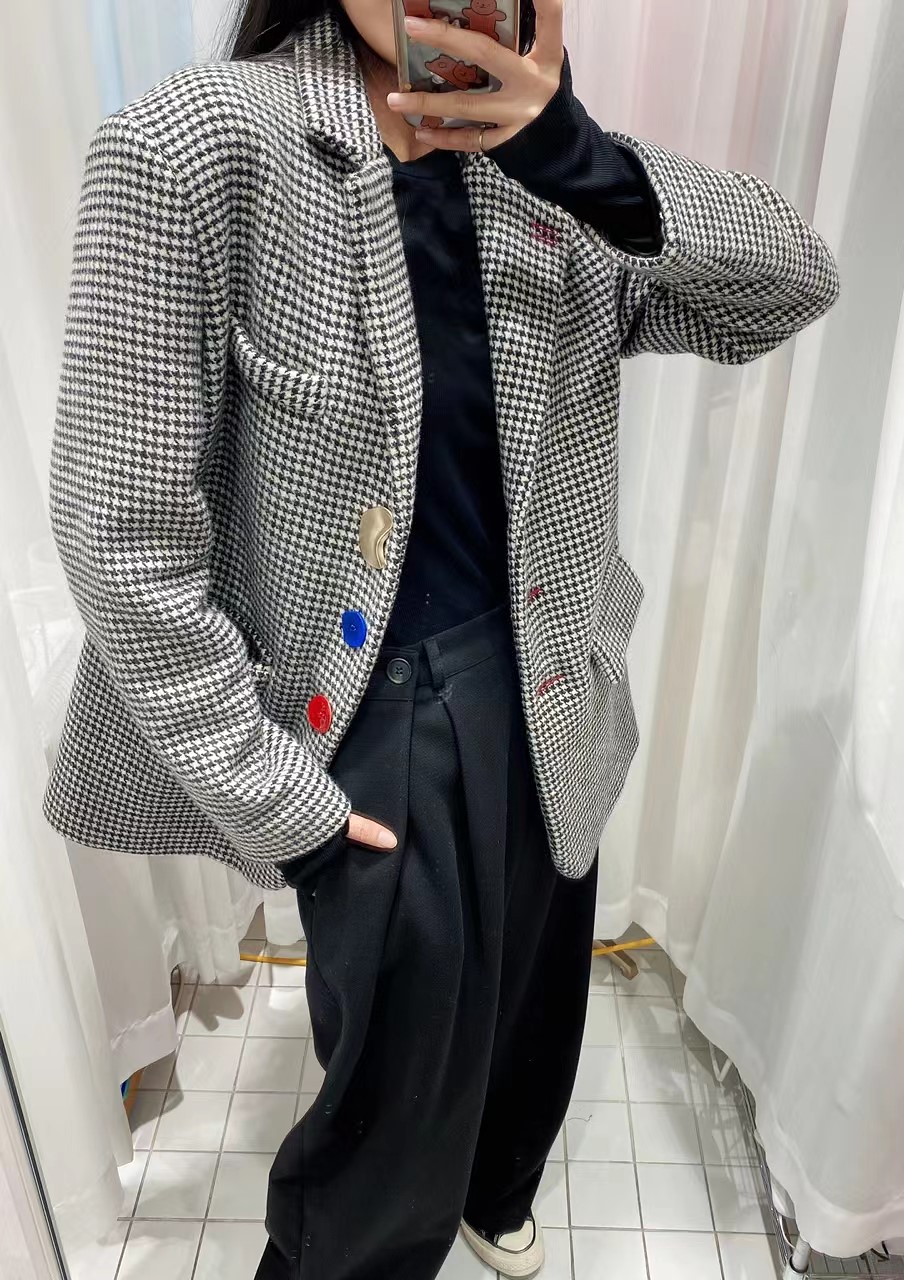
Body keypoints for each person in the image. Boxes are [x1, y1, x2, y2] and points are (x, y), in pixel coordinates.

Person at [41, 0, 840, 1276]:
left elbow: (792, 280)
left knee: (538, 996)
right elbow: (120, 531)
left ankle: (499, 1181)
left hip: (553, 678)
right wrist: (283, 801)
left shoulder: (551, 164)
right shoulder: (201, 144)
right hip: (376, 715)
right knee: (386, 1127)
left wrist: (580, 155)